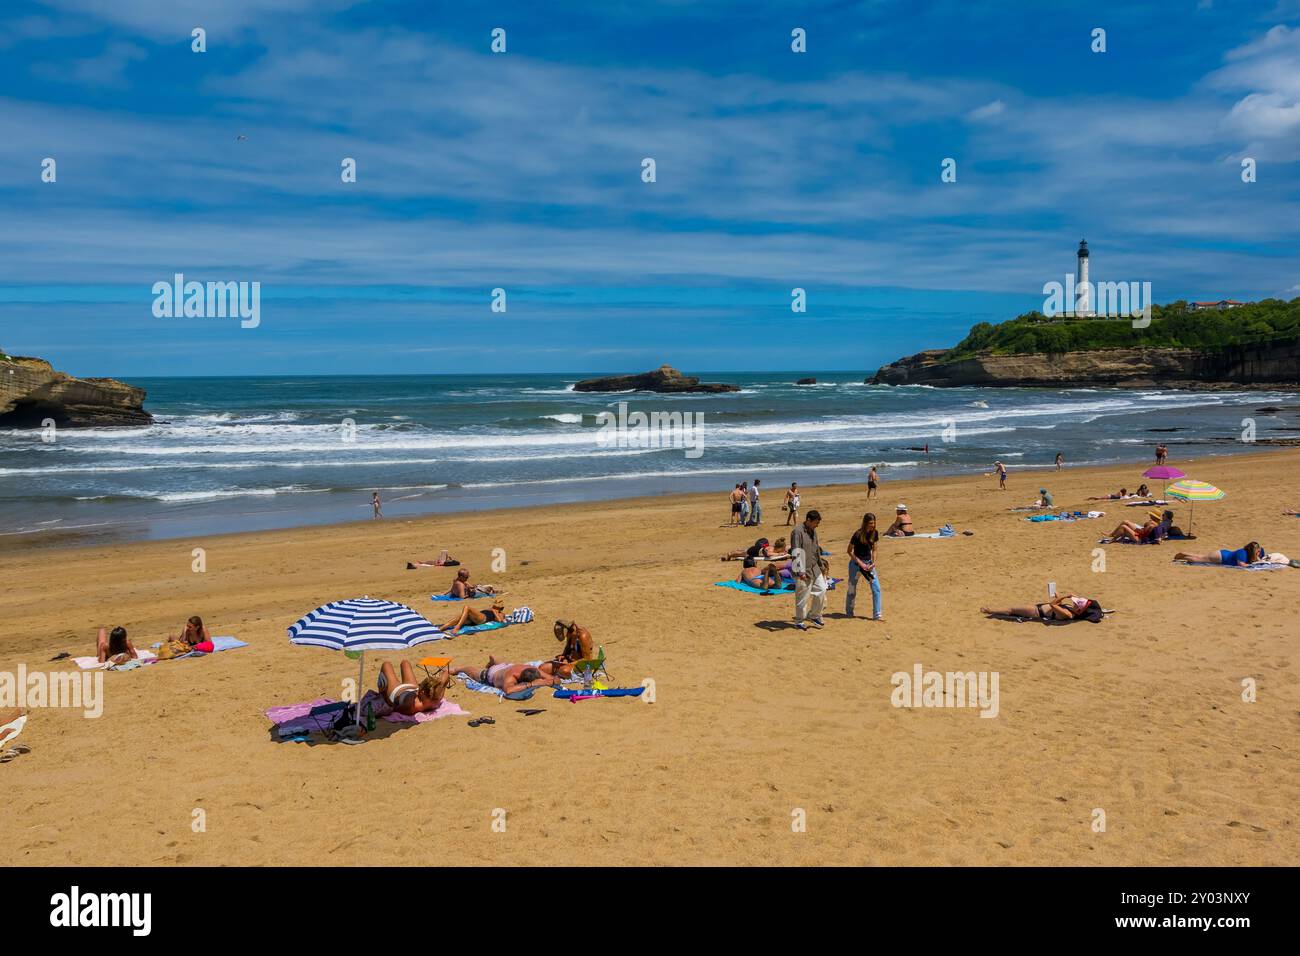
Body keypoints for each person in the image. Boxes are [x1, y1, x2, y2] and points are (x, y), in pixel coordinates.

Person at [790, 509, 826, 630]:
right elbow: (796, 552)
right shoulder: (797, 532)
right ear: (808, 520)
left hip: (815, 567)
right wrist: (800, 571)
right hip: (803, 569)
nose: (817, 525)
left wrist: (821, 566)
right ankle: (799, 621)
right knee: (803, 597)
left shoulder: (814, 531)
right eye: (816, 523)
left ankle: (814, 615)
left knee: (822, 589)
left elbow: (816, 550)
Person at [376, 659, 450, 716]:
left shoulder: (413, 705)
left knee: (386, 664)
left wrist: (385, 697)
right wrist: (439, 682)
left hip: (398, 691)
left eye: (420, 686)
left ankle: (381, 693)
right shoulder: (436, 699)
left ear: (422, 691)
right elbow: (446, 674)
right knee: (405, 663)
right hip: (411, 688)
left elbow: (393, 708)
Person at [450, 657, 557, 695]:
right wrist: (531, 684)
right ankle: (456, 669)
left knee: (501, 664)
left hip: (506, 666)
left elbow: (555, 679)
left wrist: (549, 681)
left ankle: (494, 660)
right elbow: (508, 690)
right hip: (490, 674)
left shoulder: (533, 669)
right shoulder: (511, 677)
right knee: (470, 670)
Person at [845, 512, 882, 620]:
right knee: (852, 589)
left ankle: (877, 614)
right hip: (856, 565)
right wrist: (860, 563)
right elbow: (849, 551)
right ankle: (849, 612)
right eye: (871, 523)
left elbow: (874, 549)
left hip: (868, 566)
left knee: (876, 588)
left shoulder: (874, 533)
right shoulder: (857, 534)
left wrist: (874, 562)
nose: (873, 525)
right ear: (865, 523)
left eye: (874, 523)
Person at [981, 594, 1104, 623]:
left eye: (1076, 604)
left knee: (1012, 610)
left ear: (1079, 610)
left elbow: (1053, 605)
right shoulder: (1073, 610)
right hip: (1039, 608)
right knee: (1013, 609)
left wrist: (1064, 596)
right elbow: (1057, 604)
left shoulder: (1069, 614)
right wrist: (1058, 595)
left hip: (1037, 612)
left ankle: (991, 611)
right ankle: (993, 611)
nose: (1074, 603)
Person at [439, 599, 507, 635]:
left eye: (496, 606)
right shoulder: (490, 609)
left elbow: (500, 621)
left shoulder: (501, 613)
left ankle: (457, 628)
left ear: (501, 608)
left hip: (483, 618)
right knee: (458, 618)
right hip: (476, 618)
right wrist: (492, 609)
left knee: (467, 607)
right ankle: (441, 628)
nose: (494, 606)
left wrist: (494, 611)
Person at [1104, 510, 1172, 544]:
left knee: (1124, 526)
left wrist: (1132, 531)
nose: (1150, 515)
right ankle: (1112, 535)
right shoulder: (1156, 523)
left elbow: (1143, 533)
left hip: (1140, 539)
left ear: (1153, 516)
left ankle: (1112, 540)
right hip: (1141, 536)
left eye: (1151, 514)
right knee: (1125, 523)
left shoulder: (1152, 524)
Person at [1174, 542, 1266, 567]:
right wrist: (1252, 564)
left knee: (1200, 556)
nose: (1258, 555)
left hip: (1222, 554)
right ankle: (1184, 557)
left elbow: (1258, 556)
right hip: (1221, 556)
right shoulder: (1242, 553)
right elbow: (1241, 565)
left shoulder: (1245, 552)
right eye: (1257, 553)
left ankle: (1184, 554)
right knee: (1200, 559)